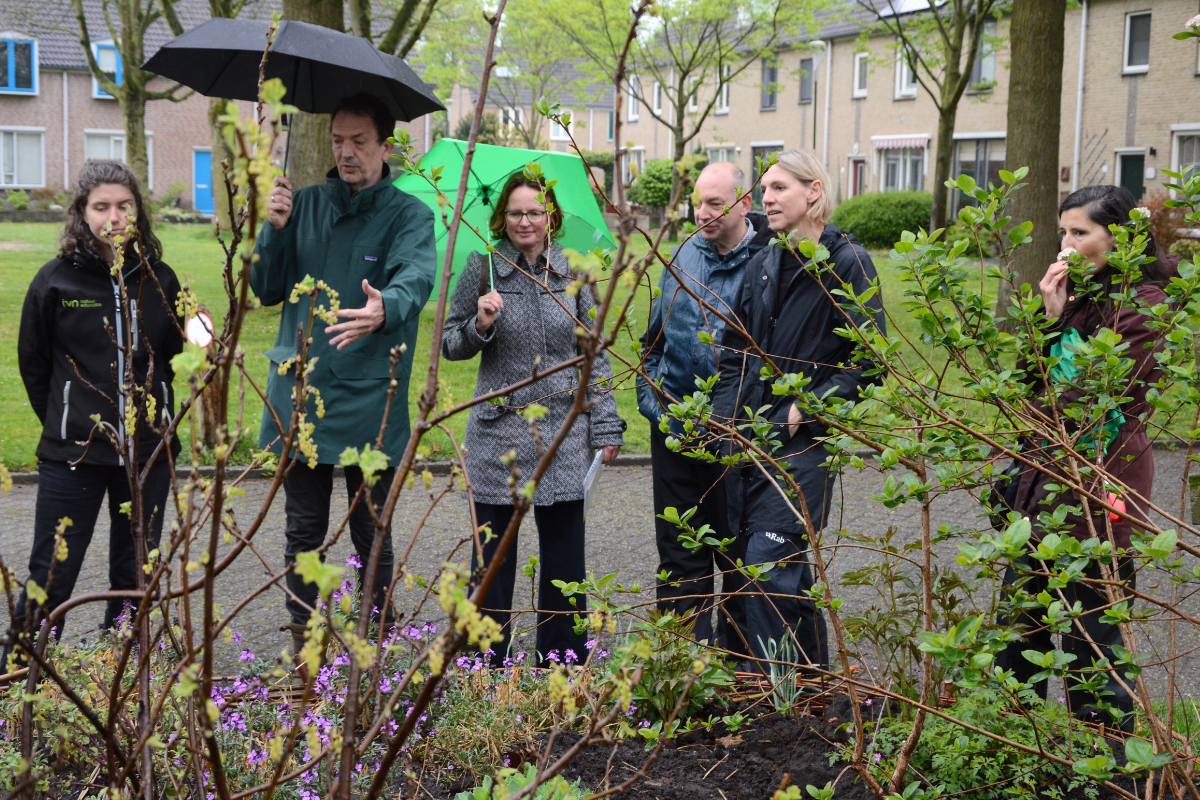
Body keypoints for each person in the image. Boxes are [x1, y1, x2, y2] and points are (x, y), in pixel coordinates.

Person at [251, 93, 435, 655]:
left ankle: (373, 640)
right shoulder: (302, 204)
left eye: (358, 141)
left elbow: (416, 277)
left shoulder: (410, 215)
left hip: (369, 397)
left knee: (370, 530)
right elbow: (265, 289)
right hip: (301, 395)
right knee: (303, 532)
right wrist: (273, 230)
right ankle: (306, 645)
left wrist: (388, 307)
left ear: (385, 146)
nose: (346, 152)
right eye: (337, 140)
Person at [994, 185, 1175, 732]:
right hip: (1044, 479)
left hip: (1101, 482)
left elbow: (1086, 403)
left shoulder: (1144, 305)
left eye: (1080, 233)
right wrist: (1050, 319)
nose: (1066, 247)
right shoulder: (1078, 296)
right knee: (1018, 622)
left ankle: (1107, 759)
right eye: (1063, 233)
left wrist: (1063, 322)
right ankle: (1010, 737)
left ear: (1118, 238)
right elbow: (1028, 391)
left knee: (1093, 632)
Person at [442, 172, 626, 666]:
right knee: (494, 560)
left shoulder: (573, 272)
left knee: (564, 558)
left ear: (551, 218)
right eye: (517, 213)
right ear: (503, 217)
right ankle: (487, 665)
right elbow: (449, 343)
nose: (526, 221)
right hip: (495, 437)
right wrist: (480, 323)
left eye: (535, 212)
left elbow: (596, 355)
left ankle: (560, 664)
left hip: (562, 436)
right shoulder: (482, 268)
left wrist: (606, 425)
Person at [710, 150, 884, 672]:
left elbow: (869, 359)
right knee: (765, 571)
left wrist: (807, 408)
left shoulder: (847, 260)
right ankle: (806, 686)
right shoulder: (764, 260)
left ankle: (774, 690)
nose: (767, 198)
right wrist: (722, 425)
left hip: (803, 444)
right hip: (748, 442)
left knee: (769, 564)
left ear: (814, 192)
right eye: (764, 189)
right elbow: (734, 352)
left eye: (779, 188)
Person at [8, 159, 182, 672]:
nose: (113, 217)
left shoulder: (160, 277)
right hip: (74, 454)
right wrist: (69, 418)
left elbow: (175, 352)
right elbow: (34, 363)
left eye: (123, 206)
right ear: (82, 215)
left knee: (135, 571)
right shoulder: (55, 281)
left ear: (138, 212)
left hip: (147, 453)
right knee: (52, 571)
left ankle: (119, 677)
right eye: (101, 207)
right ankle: (20, 679)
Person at [638, 162, 772, 653]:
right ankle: (681, 668)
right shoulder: (681, 255)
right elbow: (652, 344)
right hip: (673, 432)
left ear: (744, 204)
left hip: (734, 440)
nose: (703, 212)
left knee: (737, 558)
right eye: (698, 201)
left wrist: (734, 423)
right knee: (678, 554)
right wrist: (654, 405)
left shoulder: (768, 264)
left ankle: (737, 672)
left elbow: (769, 360)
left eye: (715, 203)